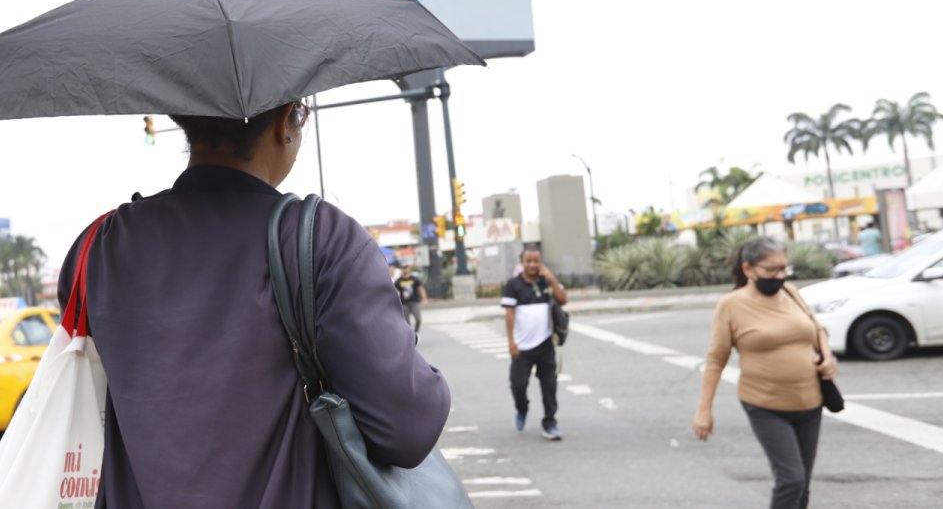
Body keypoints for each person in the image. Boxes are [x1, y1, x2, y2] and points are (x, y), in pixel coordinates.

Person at [57, 101, 451, 509]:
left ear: (183, 121)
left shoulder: (99, 246)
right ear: (286, 122)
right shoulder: (322, 240)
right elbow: (406, 430)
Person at [693, 236, 838, 509]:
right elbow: (716, 359)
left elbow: (816, 328)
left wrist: (827, 357)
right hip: (766, 404)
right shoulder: (731, 305)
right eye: (772, 270)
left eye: (784, 269)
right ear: (748, 269)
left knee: (803, 483)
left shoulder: (791, 292)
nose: (779, 276)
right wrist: (704, 411)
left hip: (809, 402)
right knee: (791, 480)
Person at [502, 246, 568, 440]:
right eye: (528, 261)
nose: (532, 265)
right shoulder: (513, 285)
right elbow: (509, 314)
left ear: (541, 262)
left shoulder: (546, 282)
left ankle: (550, 423)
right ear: (521, 263)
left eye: (536, 261)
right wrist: (511, 342)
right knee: (518, 385)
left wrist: (552, 278)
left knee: (549, 385)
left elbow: (563, 300)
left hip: (546, 345)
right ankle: (522, 409)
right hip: (522, 348)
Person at [395, 264, 428, 332]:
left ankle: (415, 332)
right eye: (403, 268)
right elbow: (394, 291)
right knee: (407, 323)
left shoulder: (414, 279)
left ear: (409, 269)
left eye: (406, 268)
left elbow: (421, 289)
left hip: (414, 302)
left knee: (418, 319)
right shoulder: (398, 281)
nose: (405, 270)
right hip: (404, 304)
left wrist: (424, 299)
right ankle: (411, 335)